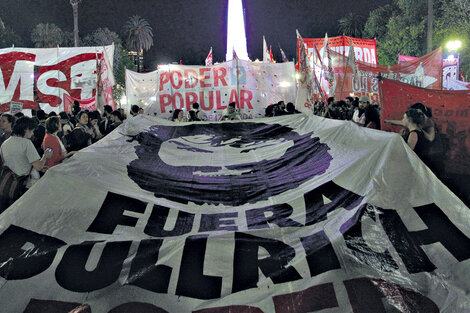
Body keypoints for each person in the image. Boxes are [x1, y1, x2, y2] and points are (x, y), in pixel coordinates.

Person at [1, 117, 52, 189]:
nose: (33, 133)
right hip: (26, 185)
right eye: (32, 130)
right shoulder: (26, 143)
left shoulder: (4, 144)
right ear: (26, 129)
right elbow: (39, 166)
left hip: (10, 184)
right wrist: (45, 155)